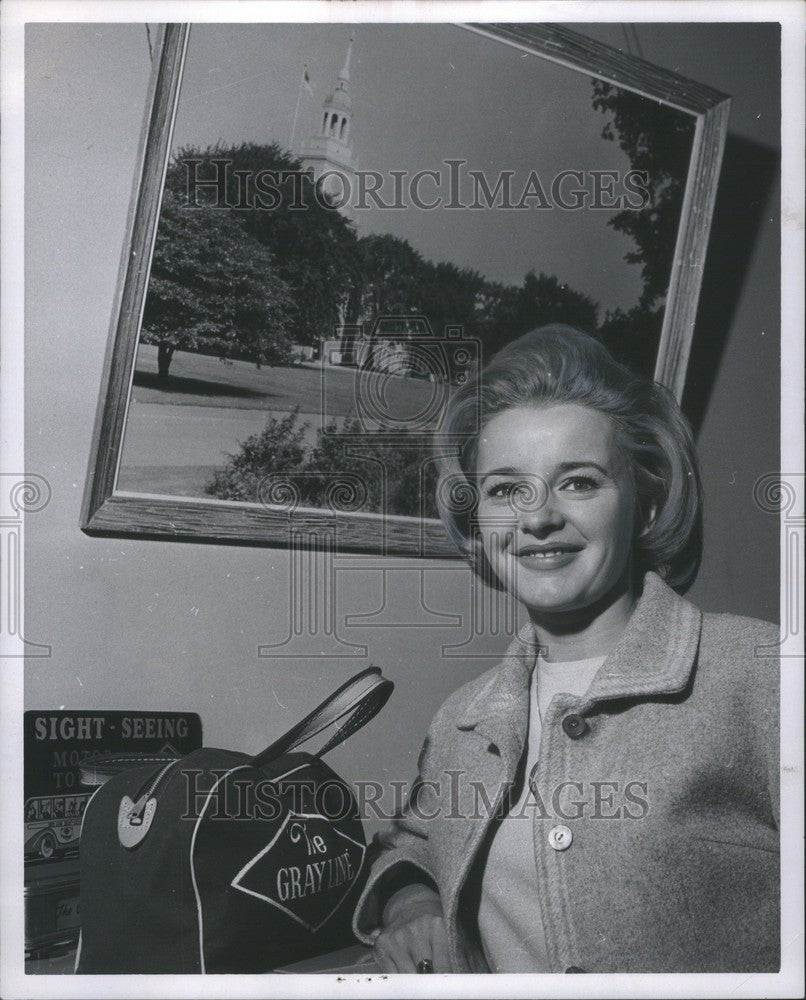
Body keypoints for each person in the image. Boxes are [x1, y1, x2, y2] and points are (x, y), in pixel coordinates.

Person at [352, 325, 779, 974]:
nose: (537, 517)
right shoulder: (462, 720)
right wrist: (408, 903)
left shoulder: (764, 676)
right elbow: (408, 846)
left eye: (577, 482)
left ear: (643, 503)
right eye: (504, 490)